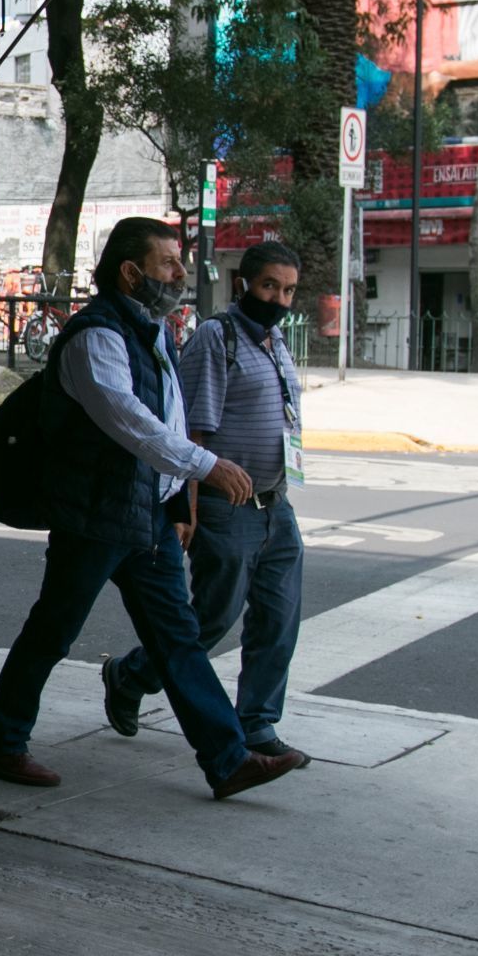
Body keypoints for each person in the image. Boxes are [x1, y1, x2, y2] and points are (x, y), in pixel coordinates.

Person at [0, 217, 304, 800]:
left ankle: (228, 759)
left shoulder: (154, 331)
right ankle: (5, 742)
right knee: (54, 631)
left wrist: (177, 502)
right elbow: (131, 422)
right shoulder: (96, 337)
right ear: (131, 273)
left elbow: (169, 420)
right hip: (95, 516)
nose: (181, 274)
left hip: (146, 517)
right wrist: (207, 468)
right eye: (169, 264)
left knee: (179, 639)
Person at [100, 243, 308, 763]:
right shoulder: (220, 338)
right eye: (270, 287)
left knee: (279, 618)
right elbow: (190, 430)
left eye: (288, 290)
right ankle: (131, 675)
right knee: (213, 617)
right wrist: (187, 508)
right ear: (243, 284)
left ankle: (257, 724)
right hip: (226, 505)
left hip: (275, 505)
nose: (279, 299)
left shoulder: (277, 341)